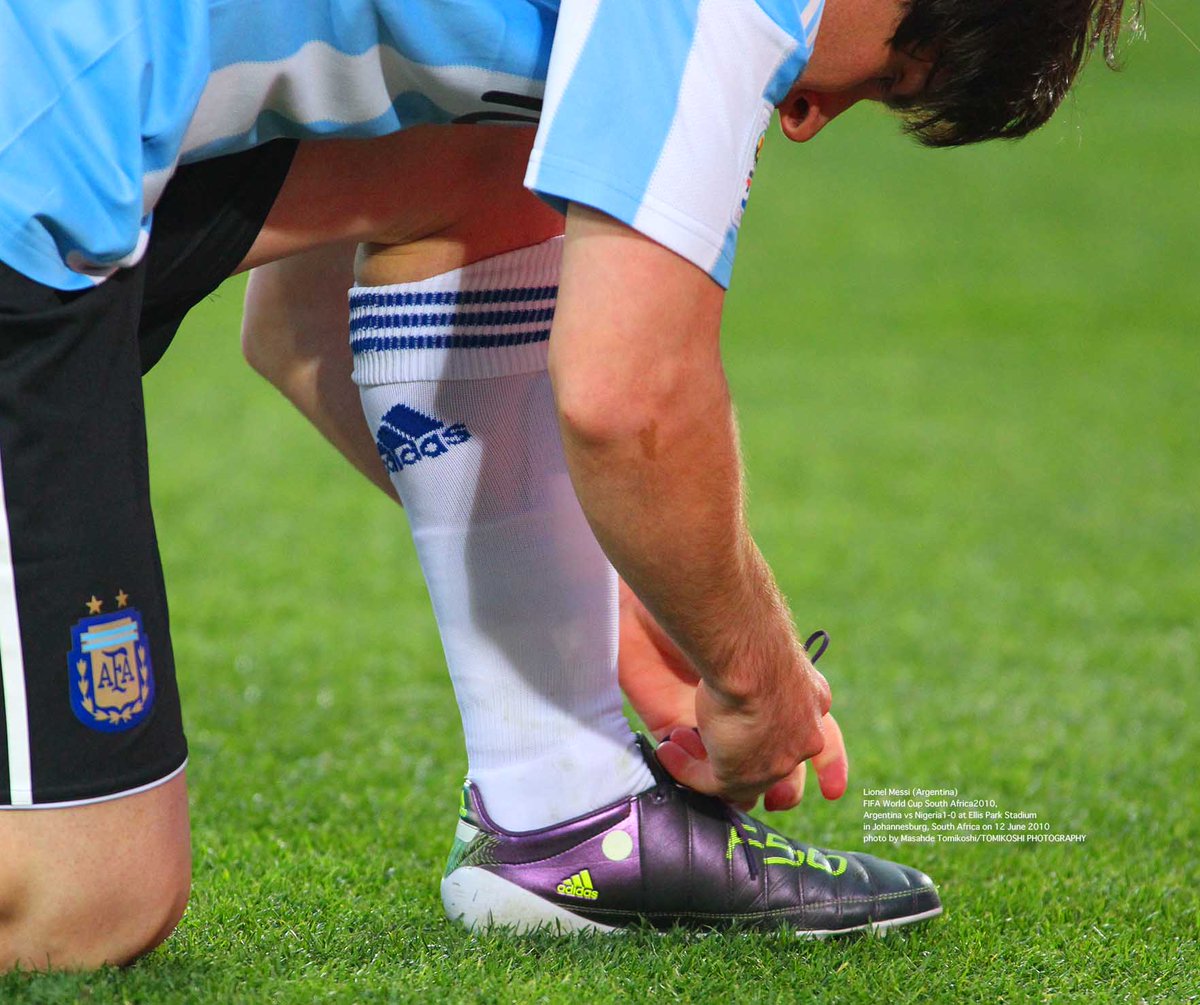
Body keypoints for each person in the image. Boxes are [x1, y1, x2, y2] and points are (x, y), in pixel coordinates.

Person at [0, 0, 1132, 967]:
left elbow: (300, 333)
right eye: (878, 80)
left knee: (499, 175)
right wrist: (753, 672)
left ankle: (564, 816)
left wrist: (613, 579)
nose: (803, 116)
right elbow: (626, 397)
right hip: (27, 179)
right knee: (91, 896)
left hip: (73, 158)